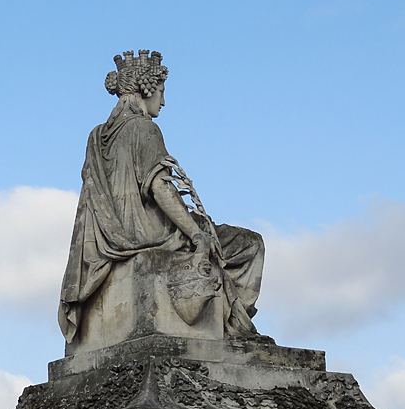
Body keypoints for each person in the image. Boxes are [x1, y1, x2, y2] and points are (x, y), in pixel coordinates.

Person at [58, 50, 264, 342]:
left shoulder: (96, 137)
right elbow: (161, 189)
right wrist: (196, 234)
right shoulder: (145, 129)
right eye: (162, 92)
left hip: (109, 237)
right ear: (147, 88)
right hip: (150, 232)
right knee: (249, 244)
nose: (163, 101)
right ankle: (235, 328)